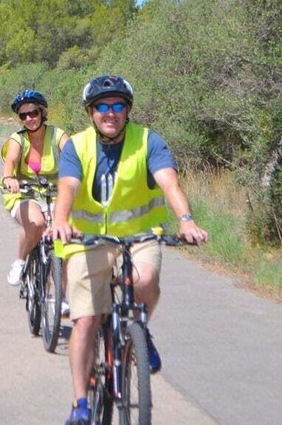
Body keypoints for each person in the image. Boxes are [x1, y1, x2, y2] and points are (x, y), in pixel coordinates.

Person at [47, 75, 209, 425]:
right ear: (91, 112)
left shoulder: (149, 141)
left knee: (145, 279)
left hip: (139, 237)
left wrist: (186, 220)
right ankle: (80, 403)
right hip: (86, 241)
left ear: (128, 110)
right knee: (86, 319)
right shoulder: (77, 146)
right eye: (102, 106)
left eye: (118, 105)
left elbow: (170, 182)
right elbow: (68, 187)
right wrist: (61, 220)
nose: (111, 113)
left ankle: (140, 329)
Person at [1, 90, 69, 294]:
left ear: (42, 113)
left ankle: (61, 294)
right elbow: (10, 161)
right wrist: (9, 178)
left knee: (63, 236)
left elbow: (73, 156)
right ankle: (20, 261)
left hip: (55, 192)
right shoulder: (18, 139)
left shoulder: (58, 135)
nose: (29, 118)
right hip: (23, 192)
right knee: (37, 224)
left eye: (33, 113)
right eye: (23, 115)